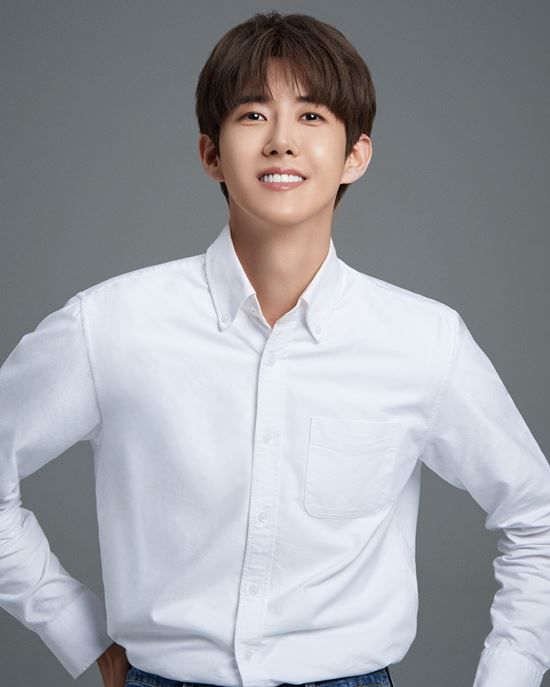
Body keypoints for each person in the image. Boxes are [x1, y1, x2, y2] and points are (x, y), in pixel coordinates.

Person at [1, 10, 549, 687]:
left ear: (356, 155)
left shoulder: (423, 340)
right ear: (211, 154)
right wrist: (74, 627)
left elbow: (538, 517)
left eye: (312, 116)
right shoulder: (111, 325)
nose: (282, 141)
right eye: (253, 115)